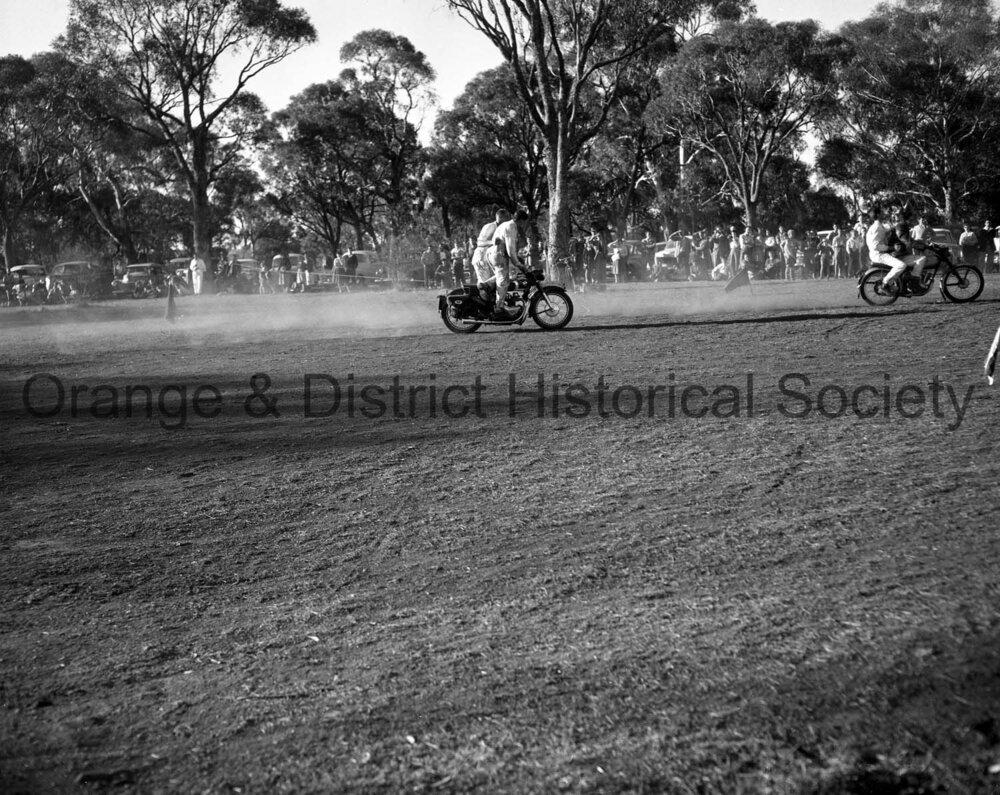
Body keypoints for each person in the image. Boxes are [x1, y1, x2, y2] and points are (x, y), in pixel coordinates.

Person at [485, 209, 530, 319]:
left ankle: (484, 285)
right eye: (524, 222)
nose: (524, 225)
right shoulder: (511, 227)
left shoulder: (505, 224)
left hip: (492, 253)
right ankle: (499, 308)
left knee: (501, 277)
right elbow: (510, 250)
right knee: (503, 281)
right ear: (521, 220)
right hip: (499, 254)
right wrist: (519, 264)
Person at [867, 205, 913, 290]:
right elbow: (875, 246)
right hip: (879, 255)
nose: (883, 213)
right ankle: (885, 284)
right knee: (901, 265)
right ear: (878, 215)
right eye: (881, 212)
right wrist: (892, 248)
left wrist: (897, 223)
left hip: (879, 253)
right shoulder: (877, 227)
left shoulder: (878, 226)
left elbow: (887, 229)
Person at [472, 208, 511, 291]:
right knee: (484, 285)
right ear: (500, 217)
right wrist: (492, 242)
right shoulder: (490, 226)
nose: (508, 220)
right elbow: (479, 243)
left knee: (492, 284)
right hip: (481, 258)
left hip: (490, 260)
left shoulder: (502, 229)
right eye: (506, 217)